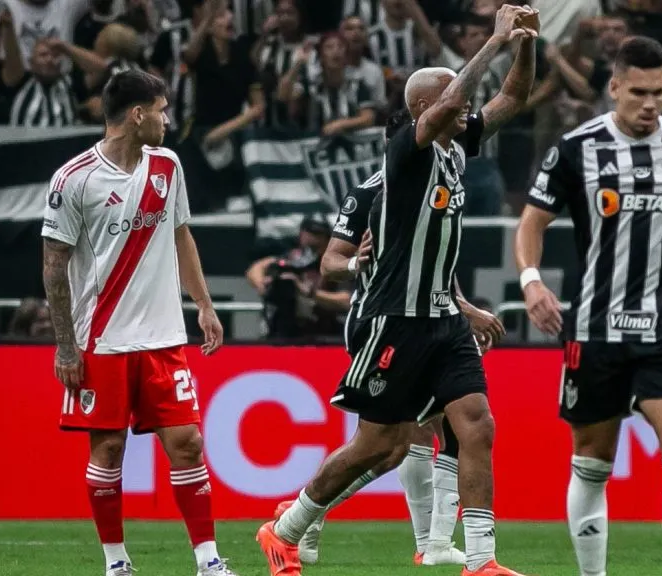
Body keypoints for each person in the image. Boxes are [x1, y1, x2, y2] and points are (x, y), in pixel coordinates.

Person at [255, 5, 538, 576]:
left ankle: (479, 560)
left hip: (441, 318)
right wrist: (493, 39)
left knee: (477, 423)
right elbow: (457, 101)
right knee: (379, 445)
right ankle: (286, 528)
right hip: (392, 319)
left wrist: (525, 43)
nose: (461, 109)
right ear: (422, 110)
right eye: (447, 100)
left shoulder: (455, 149)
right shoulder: (404, 156)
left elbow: (511, 99)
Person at [513, 36, 662, 576]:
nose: (650, 104)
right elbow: (532, 221)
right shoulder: (576, 148)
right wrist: (530, 281)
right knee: (592, 462)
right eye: (638, 92)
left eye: (659, 93)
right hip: (594, 329)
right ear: (614, 87)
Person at [40, 69, 235, 576]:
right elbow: (54, 265)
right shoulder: (74, 179)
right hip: (101, 340)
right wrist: (65, 347)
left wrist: (205, 306)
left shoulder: (167, 166)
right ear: (137, 114)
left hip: (164, 338)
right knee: (107, 450)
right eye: (163, 110)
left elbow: (182, 237)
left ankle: (208, 560)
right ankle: (116, 562)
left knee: (188, 443)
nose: (168, 121)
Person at [298, 110, 502, 567]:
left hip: (427, 318)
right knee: (397, 441)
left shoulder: (441, 177)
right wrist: (354, 264)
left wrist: (462, 309)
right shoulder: (371, 192)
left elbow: (433, 266)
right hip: (378, 321)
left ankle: (433, 543)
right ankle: (308, 514)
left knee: (441, 429)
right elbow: (330, 261)